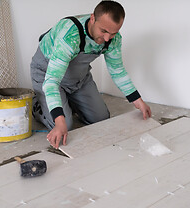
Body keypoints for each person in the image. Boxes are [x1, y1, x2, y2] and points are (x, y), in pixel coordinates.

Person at [31, 0, 151, 149]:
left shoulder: (113, 39)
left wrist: (137, 101)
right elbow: (52, 81)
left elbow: (117, 70)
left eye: (113, 33)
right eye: (104, 31)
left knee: (101, 118)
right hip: (47, 75)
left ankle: (67, 102)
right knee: (65, 124)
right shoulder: (70, 36)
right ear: (92, 18)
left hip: (77, 78)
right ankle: (37, 105)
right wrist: (59, 121)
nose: (107, 38)